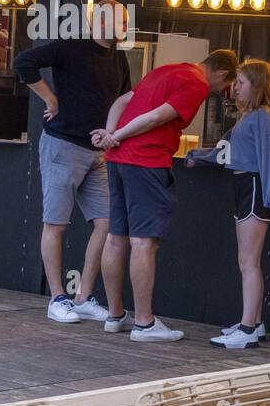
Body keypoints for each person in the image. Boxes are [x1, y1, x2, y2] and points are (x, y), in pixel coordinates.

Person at [91, 49, 238, 343]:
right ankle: (144, 323)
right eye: (225, 87)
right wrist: (116, 136)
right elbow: (157, 117)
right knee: (143, 241)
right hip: (145, 160)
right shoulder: (196, 84)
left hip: (118, 160)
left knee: (116, 236)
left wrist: (110, 134)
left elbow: (123, 101)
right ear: (223, 74)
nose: (220, 93)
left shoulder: (168, 69)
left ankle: (116, 315)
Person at [15, 28, 133, 324]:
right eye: (119, 17)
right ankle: (57, 297)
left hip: (98, 152)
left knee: (107, 223)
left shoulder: (119, 58)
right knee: (56, 223)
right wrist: (50, 100)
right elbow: (24, 62)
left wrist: (112, 132)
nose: (124, 23)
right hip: (63, 145)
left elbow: (125, 99)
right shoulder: (72, 46)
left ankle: (83, 296)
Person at [186, 59, 270, 349]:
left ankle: (247, 327)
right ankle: (253, 323)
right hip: (244, 187)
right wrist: (198, 156)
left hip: (255, 189)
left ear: (256, 85)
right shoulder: (249, 117)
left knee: (248, 261)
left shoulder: (263, 117)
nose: (235, 89)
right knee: (247, 261)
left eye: (241, 83)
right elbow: (225, 151)